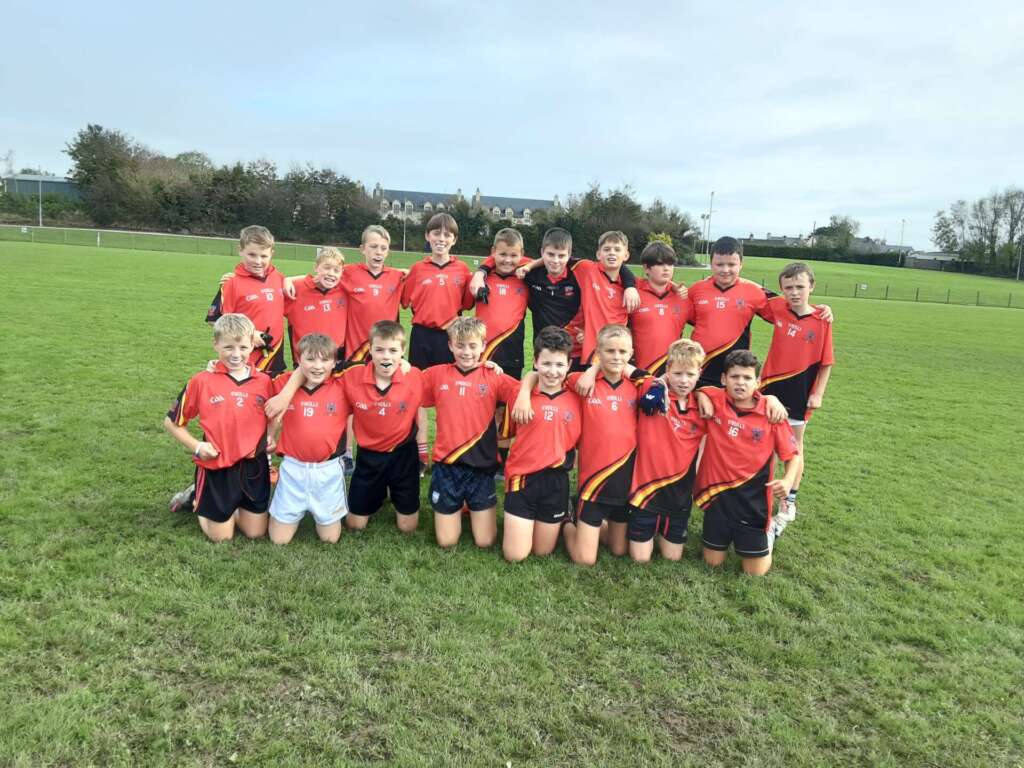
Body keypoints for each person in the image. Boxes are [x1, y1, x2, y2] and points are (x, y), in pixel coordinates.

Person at [163, 314, 273, 542]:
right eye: (228, 347)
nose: (236, 354)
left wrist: (272, 435)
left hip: (253, 466)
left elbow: (276, 413)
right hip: (218, 466)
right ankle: (197, 498)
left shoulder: (264, 381)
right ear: (215, 345)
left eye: (243, 347)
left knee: (255, 533)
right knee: (222, 538)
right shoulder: (202, 381)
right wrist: (197, 446)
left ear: (253, 345)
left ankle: (229, 505)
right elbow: (171, 422)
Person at [694, 350, 802, 576]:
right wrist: (701, 393)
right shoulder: (716, 400)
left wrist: (788, 480)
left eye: (747, 378)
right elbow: (698, 389)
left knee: (755, 573)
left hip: (753, 503)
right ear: (724, 379)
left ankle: (769, 531)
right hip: (718, 500)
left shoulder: (771, 414)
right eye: (734, 377)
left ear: (757, 382)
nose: (740, 383)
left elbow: (793, 455)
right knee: (712, 563)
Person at [469, 227, 639, 370]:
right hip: (543, 352)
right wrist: (480, 272)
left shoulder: (581, 270)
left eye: (561, 256)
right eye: (550, 255)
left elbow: (614, 265)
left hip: (575, 352)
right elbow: (501, 256)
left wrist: (630, 285)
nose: (556, 261)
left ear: (569, 256)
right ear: (542, 253)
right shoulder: (529, 272)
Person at [421, 318, 520, 549]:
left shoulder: (493, 375)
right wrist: (404, 366)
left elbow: (523, 389)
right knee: (447, 542)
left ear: (483, 346)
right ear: (450, 345)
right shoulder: (436, 374)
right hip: (448, 466)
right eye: (460, 345)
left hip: (481, 467)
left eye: (473, 346)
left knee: (486, 541)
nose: (466, 352)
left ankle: (468, 504)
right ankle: (458, 504)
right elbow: (407, 382)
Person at [684, 236, 833, 388]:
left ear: (741, 264)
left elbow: (790, 307)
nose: (725, 270)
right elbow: (678, 310)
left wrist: (818, 310)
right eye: (719, 264)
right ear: (711, 264)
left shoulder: (754, 292)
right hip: (699, 368)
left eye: (731, 264)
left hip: (735, 371)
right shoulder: (696, 289)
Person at [759, 262, 835, 536]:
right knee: (763, 443)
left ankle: (789, 500)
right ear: (781, 288)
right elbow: (751, 291)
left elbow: (826, 363)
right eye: (788, 287)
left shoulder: (822, 320)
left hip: (800, 391)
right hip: (769, 388)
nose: (794, 292)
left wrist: (818, 393)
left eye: (800, 287)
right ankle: (760, 492)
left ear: (811, 286)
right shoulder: (778, 307)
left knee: (793, 448)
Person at [501, 327, 581, 562]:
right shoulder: (520, 395)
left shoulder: (579, 397)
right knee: (515, 555)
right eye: (546, 364)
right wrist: (525, 389)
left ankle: (566, 519)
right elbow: (505, 437)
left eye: (559, 365)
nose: (552, 371)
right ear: (535, 362)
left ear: (569, 365)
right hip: (522, 479)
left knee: (542, 551)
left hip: (556, 481)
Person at [400, 212, 473, 471]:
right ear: (427, 236)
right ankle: (420, 454)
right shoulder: (417, 269)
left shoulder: (462, 270)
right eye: (436, 233)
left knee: (449, 396)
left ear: (454, 239)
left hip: (449, 339)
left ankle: (447, 451)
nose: (441, 238)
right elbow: (405, 301)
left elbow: (466, 304)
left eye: (447, 235)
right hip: (421, 335)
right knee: (418, 395)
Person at [266, 333, 351, 545]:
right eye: (310, 359)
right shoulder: (283, 383)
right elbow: (250, 380)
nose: (318, 366)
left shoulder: (343, 385)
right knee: (278, 540)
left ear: (334, 362)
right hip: (293, 469)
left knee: (330, 539)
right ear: (298, 359)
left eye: (325, 360)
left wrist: (403, 364)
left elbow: (369, 367)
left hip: (327, 471)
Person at [627, 339, 706, 563]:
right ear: (668, 369)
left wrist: (770, 398)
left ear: (699, 373)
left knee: (672, 558)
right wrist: (659, 381)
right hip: (645, 493)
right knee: (640, 559)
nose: (684, 380)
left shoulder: (704, 404)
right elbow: (622, 365)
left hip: (679, 495)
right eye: (678, 373)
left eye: (690, 375)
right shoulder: (650, 388)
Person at [206, 225, 286, 374]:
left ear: (271, 254)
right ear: (240, 250)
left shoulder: (279, 278)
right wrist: (249, 334)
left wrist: (289, 280)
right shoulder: (231, 283)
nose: (258, 261)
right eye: (252, 255)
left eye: (264, 256)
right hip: (243, 358)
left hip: (274, 356)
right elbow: (216, 320)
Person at [630, 241, 691, 375]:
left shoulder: (683, 297)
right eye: (660, 264)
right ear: (646, 268)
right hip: (639, 372)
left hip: (672, 373)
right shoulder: (633, 292)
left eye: (670, 264)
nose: (666, 268)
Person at [282, 247, 348, 368]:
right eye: (326, 268)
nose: (331, 273)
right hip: (306, 359)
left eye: (336, 270)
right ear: (316, 267)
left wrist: (289, 278)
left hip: (336, 359)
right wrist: (287, 280)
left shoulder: (345, 289)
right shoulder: (296, 288)